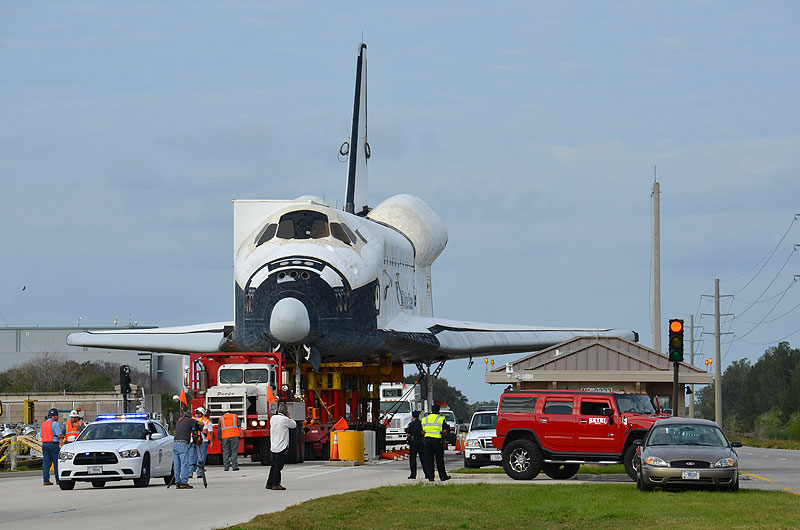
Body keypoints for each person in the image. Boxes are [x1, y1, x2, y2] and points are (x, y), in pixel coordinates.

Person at [266, 404, 297, 491]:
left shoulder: (273, 418)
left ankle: (269, 483)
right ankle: (276, 484)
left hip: (273, 445)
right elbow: (294, 425)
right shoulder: (285, 419)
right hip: (281, 446)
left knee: (273, 465)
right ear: (286, 412)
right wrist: (289, 417)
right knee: (278, 467)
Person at [421, 404, 450, 482]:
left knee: (429, 459)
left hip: (427, 440)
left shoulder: (424, 419)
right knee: (439, 459)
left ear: (431, 411)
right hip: (437, 440)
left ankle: (431, 477)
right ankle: (443, 477)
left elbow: (422, 431)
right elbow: (444, 431)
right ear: (438, 411)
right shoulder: (441, 419)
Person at [173, 410, 201, 489]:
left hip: (175, 444)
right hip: (183, 444)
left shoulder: (179, 422)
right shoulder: (189, 420)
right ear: (189, 416)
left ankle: (177, 482)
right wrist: (199, 428)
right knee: (184, 463)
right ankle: (184, 482)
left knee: (177, 465)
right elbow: (201, 423)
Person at [41, 408, 64, 486]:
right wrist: (61, 438)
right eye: (57, 416)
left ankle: (46, 480)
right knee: (56, 462)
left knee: (46, 463)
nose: (58, 417)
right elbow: (59, 435)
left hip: (45, 444)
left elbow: (41, 435)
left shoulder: (43, 423)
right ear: (54, 416)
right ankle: (58, 480)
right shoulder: (55, 424)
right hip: (53, 444)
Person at [191, 407, 212, 478]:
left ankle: (189, 473)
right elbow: (205, 431)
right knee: (200, 457)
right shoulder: (203, 420)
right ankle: (199, 472)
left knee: (191, 457)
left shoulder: (191, 419)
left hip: (191, 440)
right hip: (199, 440)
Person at [219, 405, 240, 471]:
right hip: (234, 435)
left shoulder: (221, 418)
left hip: (225, 437)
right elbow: (239, 424)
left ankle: (226, 467)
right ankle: (234, 466)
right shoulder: (234, 416)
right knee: (234, 451)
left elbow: (219, 430)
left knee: (226, 452)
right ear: (230, 410)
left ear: (223, 411)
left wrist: (219, 439)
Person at [405, 410, 425, 479]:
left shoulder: (411, 424)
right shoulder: (421, 423)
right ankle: (427, 474)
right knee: (423, 458)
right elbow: (423, 432)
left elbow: (408, 434)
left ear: (413, 416)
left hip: (413, 442)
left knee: (412, 459)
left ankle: (413, 475)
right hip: (421, 442)